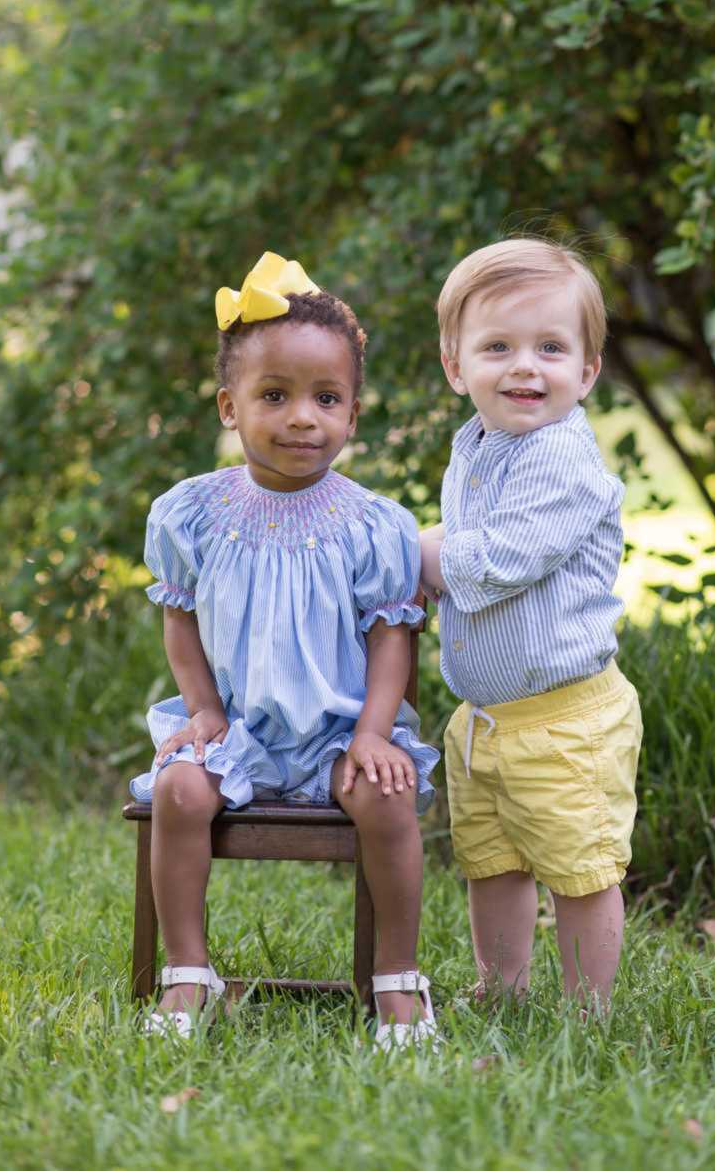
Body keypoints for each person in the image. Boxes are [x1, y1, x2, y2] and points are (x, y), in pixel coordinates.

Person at [130, 251, 439, 1047]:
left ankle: (398, 982)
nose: (304, 417)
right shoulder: (191, 514)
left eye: (326, 398)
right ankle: (189, 973)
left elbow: (390, 638)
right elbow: (180, 618)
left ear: (353, 415)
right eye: (276, 395)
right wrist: (201, 711)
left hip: (341, 732)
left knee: (386, 795)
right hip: (239, 733)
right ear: (231, 406)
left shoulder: (374, 524)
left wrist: (375, 730)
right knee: (180, 792)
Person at [419, 237, 641, 1010]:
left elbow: (503, 554)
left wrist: (415, 557)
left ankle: (589, 1008)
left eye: (551, 347)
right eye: (498, 347)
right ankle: (500, 989)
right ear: (457, 366)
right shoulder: (477, 445)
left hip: (563, 721)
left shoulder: (561, 458)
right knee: (493, 863)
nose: (525, 366)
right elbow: (465, 540)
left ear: (586, 371)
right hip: (485, 720)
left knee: (580, 869)